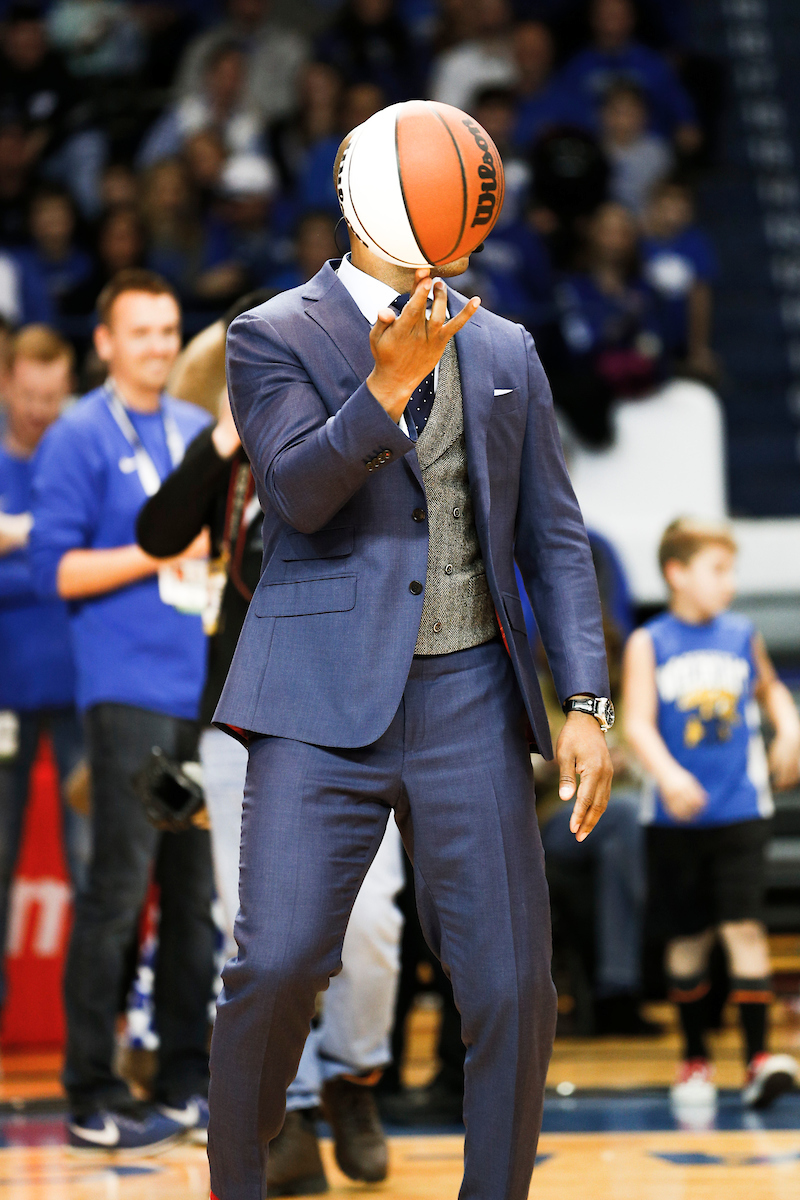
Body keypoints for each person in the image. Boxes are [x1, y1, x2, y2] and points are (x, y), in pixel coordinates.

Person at [206, 103, 613, 1200]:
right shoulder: (271, 333)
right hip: (313, 698)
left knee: (513, 988)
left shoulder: (502, 346)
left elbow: (554, 539)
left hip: (468, 693)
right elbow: (294, 494)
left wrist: (584, 702)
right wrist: (386, 384)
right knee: (276, 963)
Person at [136, 301, 404, 1191]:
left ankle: (354, 1079)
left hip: (358, 713)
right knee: (258, 940)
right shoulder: (229, 457)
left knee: (368, 930)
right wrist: (221, 437)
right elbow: (155, 535)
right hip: (246, 718)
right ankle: (278, 1110)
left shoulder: (364, 436)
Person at [29, 268, 217, 1152]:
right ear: (103, 343)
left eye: (168, 329)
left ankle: (187, 1077)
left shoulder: (191, 429)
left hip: (199, 692)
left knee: (191, 897)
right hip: (125, 693)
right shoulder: (75, 436)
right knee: (117, 890)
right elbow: (56, 572)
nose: (158, 345)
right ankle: (91, 1087)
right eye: (139, 332)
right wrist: (157, 550)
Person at [623, 517, 800, 1110]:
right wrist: (669, 774)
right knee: (689, 940)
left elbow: (770, 687)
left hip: (740, 810)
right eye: (717, 570)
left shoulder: (742, 632)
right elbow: (638, 722)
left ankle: (758, 1059)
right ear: (677, 573)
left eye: (732, 570)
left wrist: (789, 725)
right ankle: (694, 1055)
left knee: (745, 928)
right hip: (675, 821)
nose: (729, 582)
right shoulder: (650, 642)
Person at [0, 324, 90, 1012]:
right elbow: (67, 565)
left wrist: (19, 540)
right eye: (29, 394)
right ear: (7, 385)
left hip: (82, 686)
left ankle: (100, 1024)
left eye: (53, 396)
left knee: (93, 861)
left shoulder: (79, 453)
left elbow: (89, 566)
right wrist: (55, 549)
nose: (39, 408)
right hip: (6, 692)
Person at [600, 81, 672, 215]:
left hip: (645, 221)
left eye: (630, 113)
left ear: (644, 115)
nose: (623, 120)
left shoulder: (657, 152)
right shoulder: (593, 148)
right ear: (603, 114)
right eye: (617, 112)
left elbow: (662, 193)